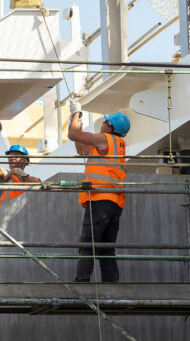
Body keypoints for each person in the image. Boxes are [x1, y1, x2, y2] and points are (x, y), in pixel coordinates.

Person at [67, 100, 130, 283]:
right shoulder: (116, 145)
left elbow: (72, 134)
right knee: (105, 247)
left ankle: (82, 281)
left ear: (109, 128)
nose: (101, 124)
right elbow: (80, 145)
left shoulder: (105, 139)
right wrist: (77, 120)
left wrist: (76, 114)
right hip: (114, 202)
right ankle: (111, 284)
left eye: (104, 122)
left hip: (101, 199)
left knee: (88, 241)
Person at [0, 119, 40, 209]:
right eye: (10, 156)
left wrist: (24, 176)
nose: (12, 158)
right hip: (3, 220)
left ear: (26, 161)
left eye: (16, 155)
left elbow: (41, 189)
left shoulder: (34, 180)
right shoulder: (5, 176)